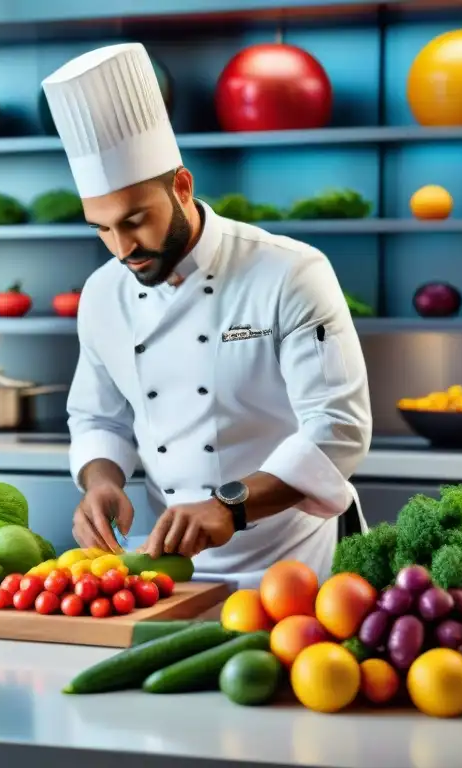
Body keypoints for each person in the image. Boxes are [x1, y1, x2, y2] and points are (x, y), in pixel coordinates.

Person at [41, 42, 372, 588]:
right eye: (101, 228)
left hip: (300, 565)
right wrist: (101, 481)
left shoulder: (289, 272)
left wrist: (230, 505)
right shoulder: (102, 294)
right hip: (172, 568)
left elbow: (337, 427)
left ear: (182, 186)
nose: (122, 247)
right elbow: (99, 418)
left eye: (135, 219)